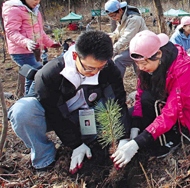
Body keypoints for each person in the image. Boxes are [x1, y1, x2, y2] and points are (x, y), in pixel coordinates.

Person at [8, 30, 128, 174]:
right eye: (89, 68)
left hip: (87, 114)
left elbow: (118, 102)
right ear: (75, 56)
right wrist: (75, 144)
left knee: (100, 139)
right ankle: (45, 158)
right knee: (23, 111)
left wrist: (123, 137)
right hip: (54, 117)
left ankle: (93, 144)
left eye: (100, 68)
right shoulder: (49, 74)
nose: (95, 73)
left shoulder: (109, 69)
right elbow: (54, 113)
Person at [111, 30, 190, 168]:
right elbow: (140, 95)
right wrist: (135, 127)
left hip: (187, 113)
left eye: (143, 63)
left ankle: (171, 139)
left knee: (153, 139)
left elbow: (172, 111)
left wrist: (138, 142)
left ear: (158, 55)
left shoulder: (183, 70)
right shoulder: (149, 66)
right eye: (137, 64)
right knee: (133, 111)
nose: (141, 68)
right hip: (163, 102)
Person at [3, 0, 61, 94]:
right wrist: (26, 42)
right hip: (21, 51)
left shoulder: (35, 11)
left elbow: (39, 32)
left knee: (31, 75)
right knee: (37, 71)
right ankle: (31, 97)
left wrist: (50, 43)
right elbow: (11, 32)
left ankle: (28, 96)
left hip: (35, 50)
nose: (37, 2)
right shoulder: (13, 10)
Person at [105, 0, 148, 78]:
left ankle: (117, 85)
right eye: (111, 17)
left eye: (114, 15)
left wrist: (112, 50)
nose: (114, 18)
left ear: (120, 10)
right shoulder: (122, 18)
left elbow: (126, 38)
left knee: (119, 60)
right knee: (139, 72)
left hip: (143, 47)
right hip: (134, 47)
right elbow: (117, 33)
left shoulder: (134, 19)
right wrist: (107, 36)